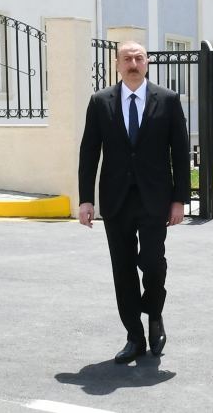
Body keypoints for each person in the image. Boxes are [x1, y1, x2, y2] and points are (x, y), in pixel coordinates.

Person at [78, 41, 190, 364]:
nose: (133, 63)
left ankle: (154, 313)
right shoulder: (100, 102)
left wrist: (179, 199)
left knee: (153, 263)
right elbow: (89, 152)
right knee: (123, 269)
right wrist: (86, 200)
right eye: (127, 58)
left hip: (155, 198)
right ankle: (134, 337)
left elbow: (180, 153)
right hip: (116, 200)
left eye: (139, 58)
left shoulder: (167, 100)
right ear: (117, 64)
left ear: (147, 63)